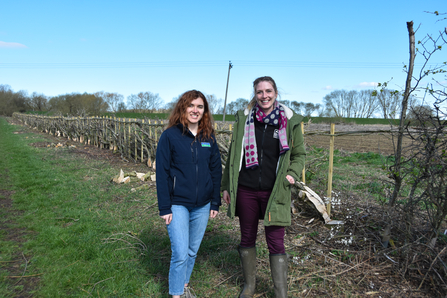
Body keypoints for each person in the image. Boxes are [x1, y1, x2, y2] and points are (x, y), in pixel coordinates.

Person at [221, 76, 306, 298]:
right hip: (246, 189)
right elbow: (233, 156)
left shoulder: (289, 121)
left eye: (268, 91)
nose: (264, 95)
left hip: (275, 191)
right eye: (260, 92)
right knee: (247, 237)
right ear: (255, 94)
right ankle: (249, 286)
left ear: (276, 93)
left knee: (276, 242)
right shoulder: (245, 119)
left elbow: (298, 155)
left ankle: (280, 293)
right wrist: (227, 186)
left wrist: (292, 174)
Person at [156, 90, 222, 298]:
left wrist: (214, 202)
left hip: (202, 205)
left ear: (205, 111)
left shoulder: (208, 137)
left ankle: (184, 286)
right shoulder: (170, 136)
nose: (195, 110)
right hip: (178, 203)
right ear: (183, 108)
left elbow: (215, 170)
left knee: (192, 251)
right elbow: (162, 173)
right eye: (191, 106)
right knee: (180, 253)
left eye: (200, 107)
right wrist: (164, 207)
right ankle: (176, 295)